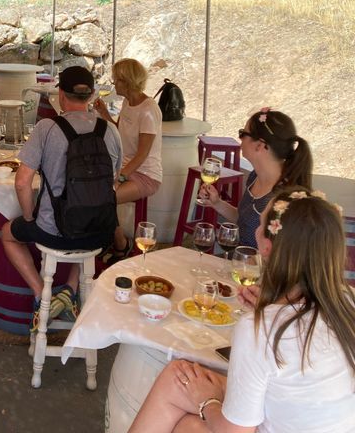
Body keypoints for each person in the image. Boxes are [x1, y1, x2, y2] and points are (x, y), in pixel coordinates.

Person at [130, 188, 355, 433]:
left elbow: (234, 431)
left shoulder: (259, 328)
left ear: (267, 248)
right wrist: (271, 307)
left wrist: (205, 401)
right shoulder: (346, 300)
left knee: (189, 423)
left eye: (259, 226)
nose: (255, 232)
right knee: (178, 378)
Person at [1, 66, 123, 329]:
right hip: (102, 232)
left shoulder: (47, 128)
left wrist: (30, 217)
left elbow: (22, 183)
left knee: (7, 233)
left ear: (61, 95)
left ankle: (39, 294)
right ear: (91, 96)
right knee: (86, 234)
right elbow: (111, 183)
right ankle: (69, 289)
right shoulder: (110, 131)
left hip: (55, 232)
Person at [199, 107, 312, 247]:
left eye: (243, 134)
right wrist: (217, 203)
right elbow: (244, 221)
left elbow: (281, 256)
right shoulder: (255, 177)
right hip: (240, 262)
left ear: (260, 145)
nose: (240, 138)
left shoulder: (283, 198)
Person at [94, 58, 162, 263]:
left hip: (146, 174)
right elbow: (119, 133)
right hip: (126, 168)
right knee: (94, 191)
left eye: (117, 80)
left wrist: (119, 178)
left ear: (128, 82)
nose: (114, 84)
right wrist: (104, 114)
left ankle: (120, 245)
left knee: (105, 199)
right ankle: (109, 240)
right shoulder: (127, 103)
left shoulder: (149, 110)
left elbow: (142, 155)